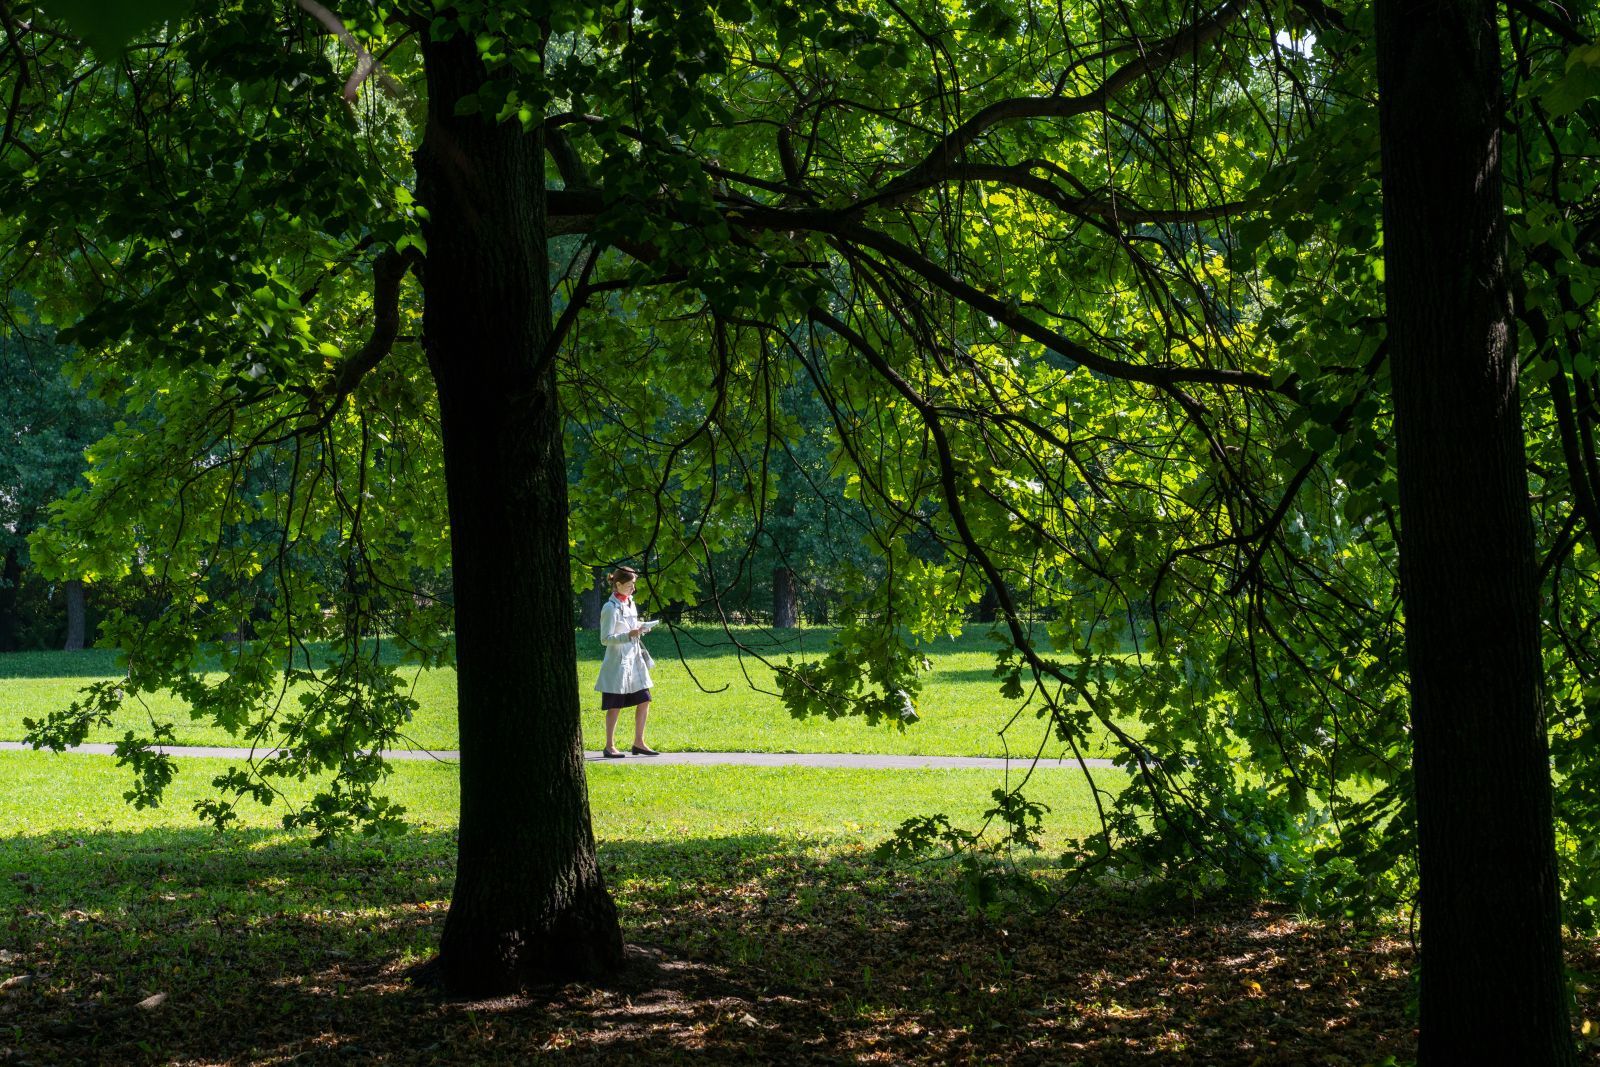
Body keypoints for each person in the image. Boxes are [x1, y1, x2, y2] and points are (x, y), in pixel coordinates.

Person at [594, 566, 659, 757]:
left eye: (634, 585)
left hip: (634, 660)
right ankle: (609, 745)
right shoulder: (609, 608)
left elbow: (632, 628)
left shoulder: (631, 603)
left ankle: (639, 742)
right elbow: (605, 639)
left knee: (645, 699)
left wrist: (641, 628)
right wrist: (628, 635)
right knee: (615, 705)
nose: (633, 589)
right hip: (617, 664)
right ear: (619, 584)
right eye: (630, 585)